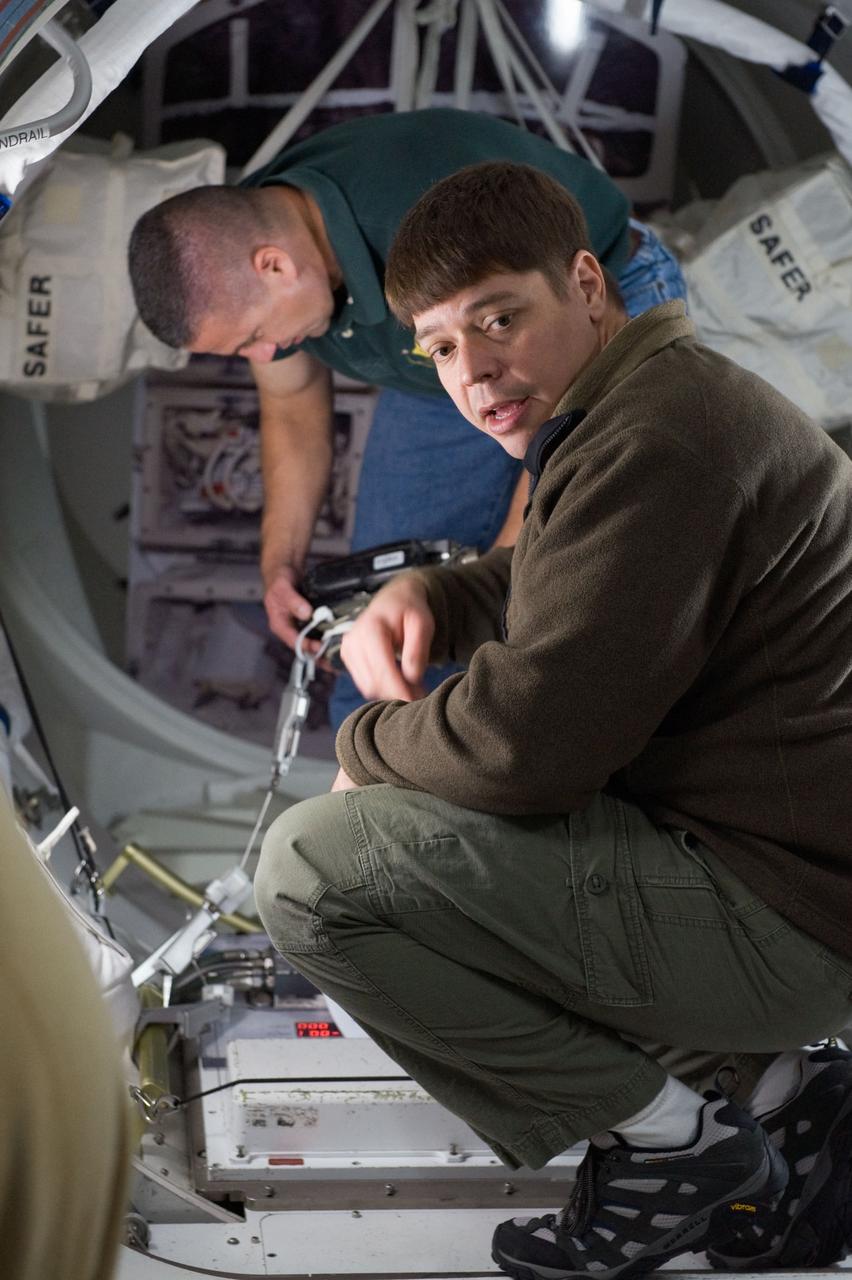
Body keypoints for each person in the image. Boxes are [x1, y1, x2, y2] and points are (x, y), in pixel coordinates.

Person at [253, 160, 852, 1280]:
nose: (473, 372)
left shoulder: (655, 442)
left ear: (584, 283)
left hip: (784, 919)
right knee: (440, 850)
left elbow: (529, 750)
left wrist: (363, 752)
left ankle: (671, 1143)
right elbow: (565, 585)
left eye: (498, 319)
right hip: (797, 890)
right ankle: (780, 1092)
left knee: (314, 871)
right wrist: (435, 595)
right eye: (439, 347)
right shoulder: (653, 401)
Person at [127, 108, 687, 726]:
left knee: (538, 598)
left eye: (254, 338)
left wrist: (497, 572)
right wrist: (279, 561)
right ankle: (372, 794)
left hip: (587, 317)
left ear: (275, 266)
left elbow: (558, 403)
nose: (261, 355)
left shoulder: (421, 224)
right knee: (375, 633)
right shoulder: (264, 230)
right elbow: (288, 402)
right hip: (440, 371)